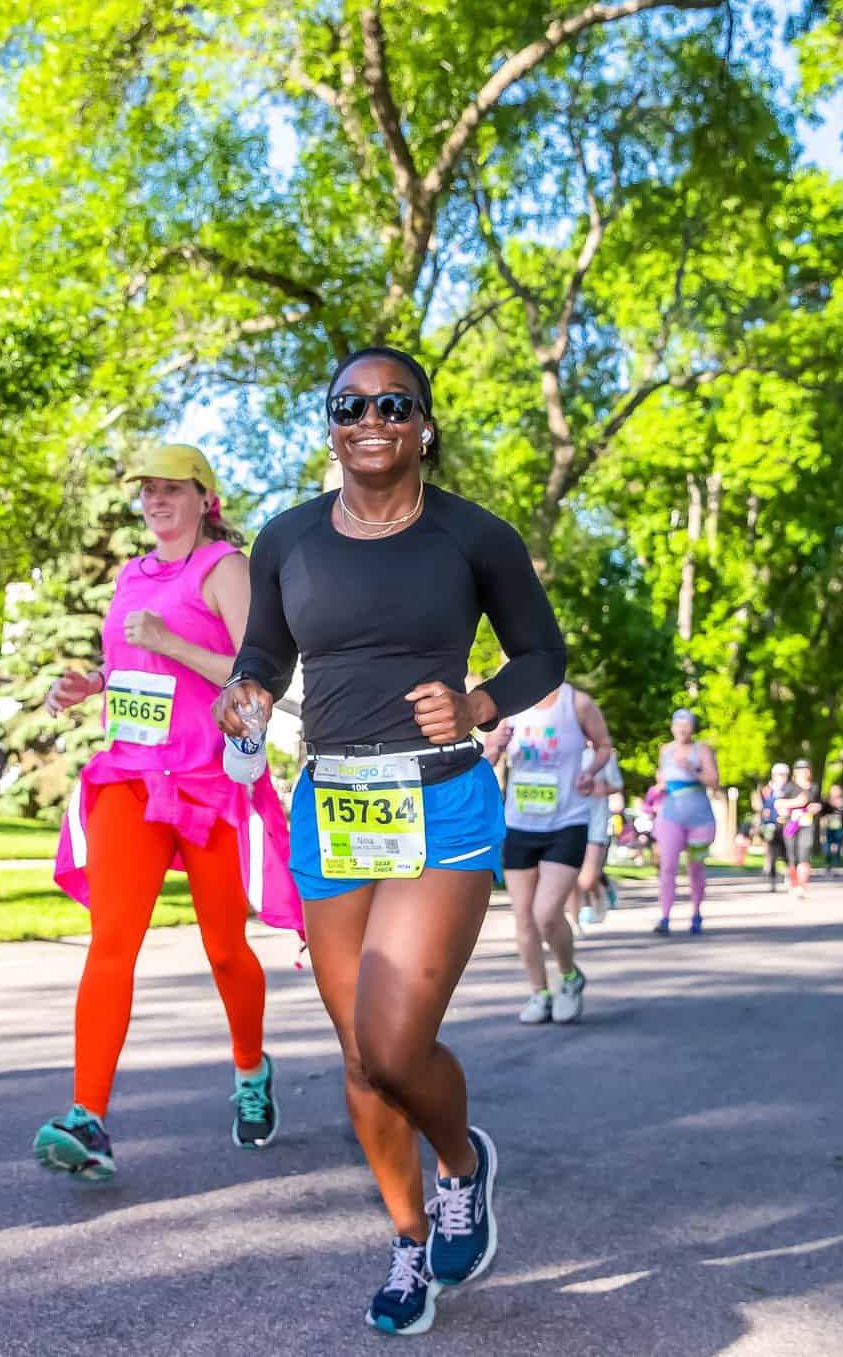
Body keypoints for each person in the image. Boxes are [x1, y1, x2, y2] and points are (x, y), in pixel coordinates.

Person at [215, 346, 566, 1336]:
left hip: (441, 803)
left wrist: (479, 702)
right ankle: (410, 1238)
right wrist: (246, 693)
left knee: (393, 1042)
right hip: (332, 805)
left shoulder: (472, 536)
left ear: (423, 425)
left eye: (392, 403)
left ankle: (462, 1162)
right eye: (349, 405)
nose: (370, 418)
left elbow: (543, 651)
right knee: (358, 1061)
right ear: (330, 424)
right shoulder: (285, 539)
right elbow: (265, 654)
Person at [38, 444, 300, 1183]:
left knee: (224, 949)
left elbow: (258, 672)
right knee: (112, 941)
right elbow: (128, 668)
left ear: (203, 498)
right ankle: (86, 1117)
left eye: (171, 490)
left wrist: (171, 642)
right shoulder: (131, 575)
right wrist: (89, 684)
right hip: (130, 775)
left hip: (208, 778)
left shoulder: (224, 569)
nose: (156, 501)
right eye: (148, 491)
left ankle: (251, 1070)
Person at [483, 680, 613, 1025]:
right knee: (524, 917)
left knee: (546, 912)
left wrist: (589, 772)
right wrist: (495, 745)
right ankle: (539, 992)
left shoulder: (579, 703)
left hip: (566, 822)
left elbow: (603, 746)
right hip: (520, 823)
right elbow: (488, 758)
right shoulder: (509, 705)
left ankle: (569, 977)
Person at [653, 710, 721, 934]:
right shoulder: (666, 749)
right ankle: (664, 917)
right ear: (672, 728)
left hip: (698, 816)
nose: (682, 729)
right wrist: (660, 785)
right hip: (671, 813)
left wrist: (691, 768)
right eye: (678, 725)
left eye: (686, 725)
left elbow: (714, 780)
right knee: (668, 866)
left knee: (695, 868)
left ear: (693, 728)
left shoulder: (701, 749)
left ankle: (696, 913)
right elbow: (662, 775)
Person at [574, 748, 625, 930]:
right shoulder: (566, 745)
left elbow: (616, 785)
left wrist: (599, 788)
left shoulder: (604, 754)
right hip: (568, 820)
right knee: (571, 874)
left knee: (587, 878)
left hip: (596, 820)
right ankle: (575, 919)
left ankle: (600, 892)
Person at [756, 763, 796, 892]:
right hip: (772, 826)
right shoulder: (768, 790)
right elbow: (764, 808)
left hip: (787, 825)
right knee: (772, 854)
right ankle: (772, 881)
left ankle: (789, 878)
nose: (781, 777)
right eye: (779, 774)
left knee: (788, 854)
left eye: (784, 775)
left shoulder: (791, 789)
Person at [787, 760, 824, 900]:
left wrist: (816, 808)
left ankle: (802, 886)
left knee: (804, 853)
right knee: (792, 856)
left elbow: (821, 804)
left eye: (806, 769)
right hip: (791, 825)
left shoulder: (814, 787)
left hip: (807, 824)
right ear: (795, 771)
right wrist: (796, 803)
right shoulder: (789, 787)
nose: (804, 772)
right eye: (800, 769)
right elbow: (778, 803)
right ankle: (794, 884)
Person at [820, 783, 843, 879]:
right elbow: (822, 813)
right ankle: (829, 864)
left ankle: (837, 866)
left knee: (837, 847)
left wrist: (841, 806)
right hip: (829, 828)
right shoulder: (826, 802)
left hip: (839, 828)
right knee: (828, 847)